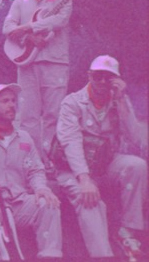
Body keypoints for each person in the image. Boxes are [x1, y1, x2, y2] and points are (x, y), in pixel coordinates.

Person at [55, 55, 147, 258]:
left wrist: (121, 99)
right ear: (89, 76)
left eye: (109, 77)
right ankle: (102, 255)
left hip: (106, 164)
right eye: (98, 76)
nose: (103, 82)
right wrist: (84, 179)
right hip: (73, 169)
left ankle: (128, 230)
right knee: (89, 200)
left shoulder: (118, 100)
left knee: (137, 165)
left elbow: (135, 138)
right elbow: (70, 142)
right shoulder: (72, 102)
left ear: (117, 80)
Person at [0, 84, 63, 258]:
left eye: (13, 101)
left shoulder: (24, 138)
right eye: (5, 101)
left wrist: (40, 188)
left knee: (49, 205)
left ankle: (50, 256)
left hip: (20, 201)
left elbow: (35, 170)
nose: (11, 105)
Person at [3, 0, 71, 163]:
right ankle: (32, 162)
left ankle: (52, 161)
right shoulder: (20, 1)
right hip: (27, 64)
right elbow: (7, 27)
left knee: (54, 114)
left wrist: (29, 27)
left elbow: (60, 20)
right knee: (28, 115)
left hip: (55, 62)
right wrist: (27, 37)